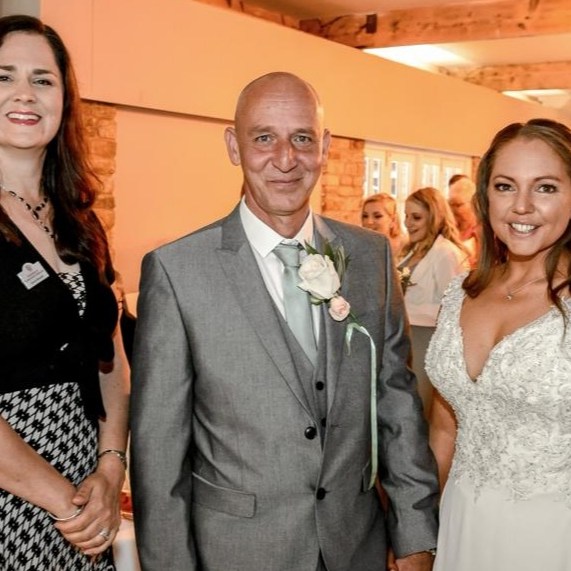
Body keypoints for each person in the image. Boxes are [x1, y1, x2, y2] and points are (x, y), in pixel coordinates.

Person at [130, 71, 439, 571]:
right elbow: (158, 450)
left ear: (325, 147)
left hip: (355, 547)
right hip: (238, 552)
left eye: (302, 138)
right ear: (234, 146)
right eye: (263, 138)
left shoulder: (370, 258)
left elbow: (396, 405)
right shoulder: (177, 271)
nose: (285, 159)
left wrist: (416, 537)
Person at [0, 15, 129, 570]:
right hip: (18, 495)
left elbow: (111, 356)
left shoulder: (82, 222)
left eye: (42, 79)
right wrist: (67, 504)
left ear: (64, 99)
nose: (25, 93)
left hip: (84, 484)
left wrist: (111, 465)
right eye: (3, 76)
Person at [427, 118, 571, 570]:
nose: (522, 206)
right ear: (486, 196)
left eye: (545, 188)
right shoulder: (460, 292)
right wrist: (417, 531)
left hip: (551, 537)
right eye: (506, 186)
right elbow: (445, 428)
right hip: (461, 522)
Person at [397, 187, 469, 415]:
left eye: (416, 217)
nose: (408, 223)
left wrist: (409, 309)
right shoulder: (411, 250)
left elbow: (455, 305)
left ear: (434, 217)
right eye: (406, 216)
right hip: (405, 334)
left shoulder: (446, 252)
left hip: (426, 337)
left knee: (418, 404)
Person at [447, 174, 480, 265]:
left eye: (458, 205)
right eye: (450, 204)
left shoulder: (483, 234)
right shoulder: (446, 231)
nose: (452, 210)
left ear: (474, 205)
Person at [361, 192, 407, 257]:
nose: (369, 222)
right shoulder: (359, 246)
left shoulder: (406, 248)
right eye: (365, 216)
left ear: (393, 220)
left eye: (377, 216)